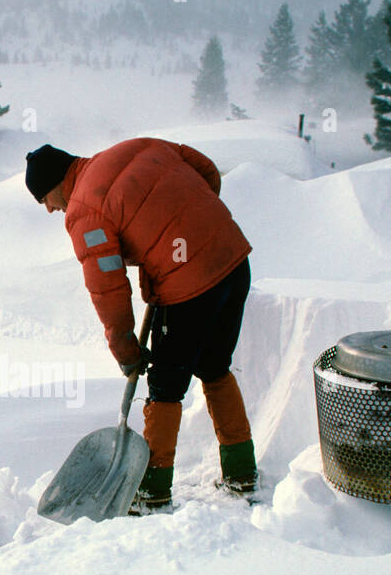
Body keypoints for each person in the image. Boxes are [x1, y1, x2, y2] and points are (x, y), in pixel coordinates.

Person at [25, 139, 257, 512]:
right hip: (232, 258)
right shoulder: (135, 147)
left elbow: (107, 285)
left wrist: (125, 347)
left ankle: (151, 492)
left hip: (190, 285)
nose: (51, 210)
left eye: (45, 201)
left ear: (55, 184)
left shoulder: (83, 209)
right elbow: (206, 170)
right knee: (215, 368)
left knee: (165, 388)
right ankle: (242, 473)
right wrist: (182, 224)